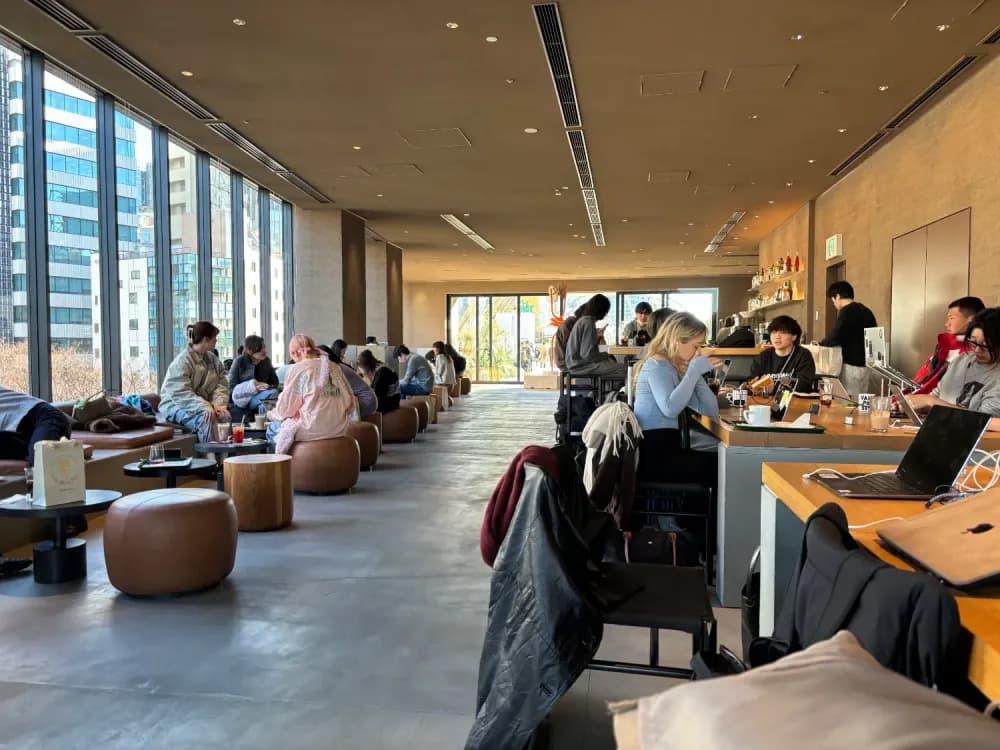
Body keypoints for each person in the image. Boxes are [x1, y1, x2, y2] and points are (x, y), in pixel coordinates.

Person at [632, 312, 721, 485]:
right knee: (721, 466)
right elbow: (670, 408)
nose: (699, 351)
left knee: (720, 464)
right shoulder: (657, 366)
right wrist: (693, 371)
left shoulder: (672, 367)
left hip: (667, 449)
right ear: (678, 340)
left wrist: (695, 374)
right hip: (654, 456)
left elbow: (710, 410)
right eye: (696, 346)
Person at [908, 307, 1000, 432]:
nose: (977, 350)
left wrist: (931, 402)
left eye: (984, 346)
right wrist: (918, 405)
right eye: (973, 342)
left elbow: (985, 421)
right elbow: (937, 395)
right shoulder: (962, 360)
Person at [267, 334, 358, 454]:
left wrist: (271, 414)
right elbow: (349, 402)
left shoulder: (299, 370)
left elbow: (286, 409)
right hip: (338, 428)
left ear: (295, 354)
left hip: (311, 429)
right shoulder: (334, 367)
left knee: (272, 428)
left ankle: (282, 469)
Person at [159, 321, 230, 442]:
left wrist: (219, 405)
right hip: (174, 405)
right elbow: (180, 392)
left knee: (225, 417)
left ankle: (226, 459)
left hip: (202, 405)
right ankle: (210, 458)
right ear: (206, 339)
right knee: (205, 419)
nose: (216, 341)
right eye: (215, 338)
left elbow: (221, 384)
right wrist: (203, 406)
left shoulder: (212, 359)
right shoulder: (182, 361)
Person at [911, 296, 986, 394]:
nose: (947, 324)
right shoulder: (945, 344)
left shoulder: (977, 353)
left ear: (971, 319)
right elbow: (923, 378)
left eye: (952, 318)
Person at [820, 281, 877, 397]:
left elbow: (837, 334)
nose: (834, 304)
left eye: (833, 300)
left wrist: (821, 344)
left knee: (849, 401)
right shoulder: (866, 311)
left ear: (837, 296)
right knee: (862, 399)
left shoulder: (847, 311)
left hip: (852, 364)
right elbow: (875, 337)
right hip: (867, 365)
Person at [0, 386, 71, 466]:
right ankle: (33, 448)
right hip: (20, 431)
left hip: (43, 416)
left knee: (40, 459)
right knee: (37, 454)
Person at [564, 294, 627, 378]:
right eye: (606, 311)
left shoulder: (583, 320)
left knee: (612, 365)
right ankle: (614, 390)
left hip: (575, 364)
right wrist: (605, 355)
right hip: (581, 366)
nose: (606, 314)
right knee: (625, 369)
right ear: (601, 310)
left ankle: (608, 389)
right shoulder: (588, 322)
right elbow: (587, 355)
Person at [748, 316, 817, 392]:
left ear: (794, 336)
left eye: (783, 332)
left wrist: (775, 387)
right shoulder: (763, 356)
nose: (777, 336)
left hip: (794, 401)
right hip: (765, 401)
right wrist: (753, 385)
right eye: (774, 332)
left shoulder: (803, 355)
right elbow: (752, 380)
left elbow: (804, 385)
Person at [319, 344, 377, 417]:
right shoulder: (336, 366)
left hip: (366, 402)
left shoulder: (335, 368)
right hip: (366, 400)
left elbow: (336, 391)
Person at [228, 335, 279, 416]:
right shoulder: (239, 361)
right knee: (272, 394)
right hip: (243, 398)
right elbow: (231, 388)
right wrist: (251, 388)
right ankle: (264, 424)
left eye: (264, 347)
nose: (264, 351)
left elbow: (274, 382)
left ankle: (263, 426)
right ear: (250, 350)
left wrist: (264, 387)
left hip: (262, 396)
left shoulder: (266, 361)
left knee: (265, 404)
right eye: (261, 348)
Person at [553, 304, 583, 371]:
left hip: (567, 361)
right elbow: (572, 345)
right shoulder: (570, 324)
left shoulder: (572, 323)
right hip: (566, 363)